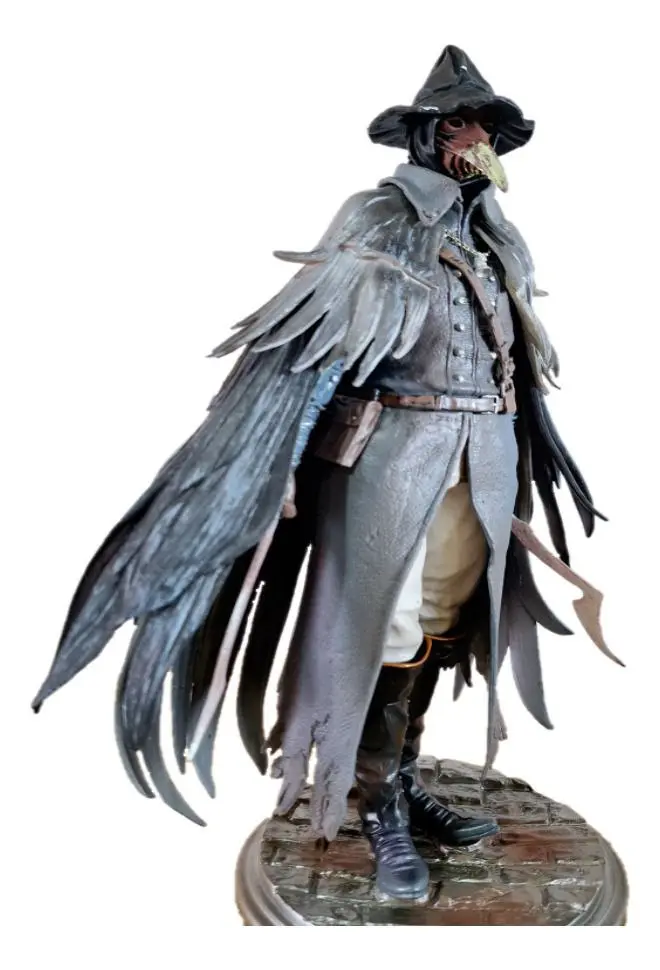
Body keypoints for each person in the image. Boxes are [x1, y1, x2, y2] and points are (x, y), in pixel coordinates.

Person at [33, 46, 615, 901]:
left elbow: (516, 368)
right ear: (424, 136)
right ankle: (375, 804)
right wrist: (277, 470)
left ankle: (401, 778)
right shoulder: (376, 218)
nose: (475, 140)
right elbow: (313, 358)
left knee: (446, 624)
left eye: (486, 127)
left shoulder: (497, 238)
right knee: (384, 629)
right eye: (459, 124)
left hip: (483, 465)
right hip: (392, 468)